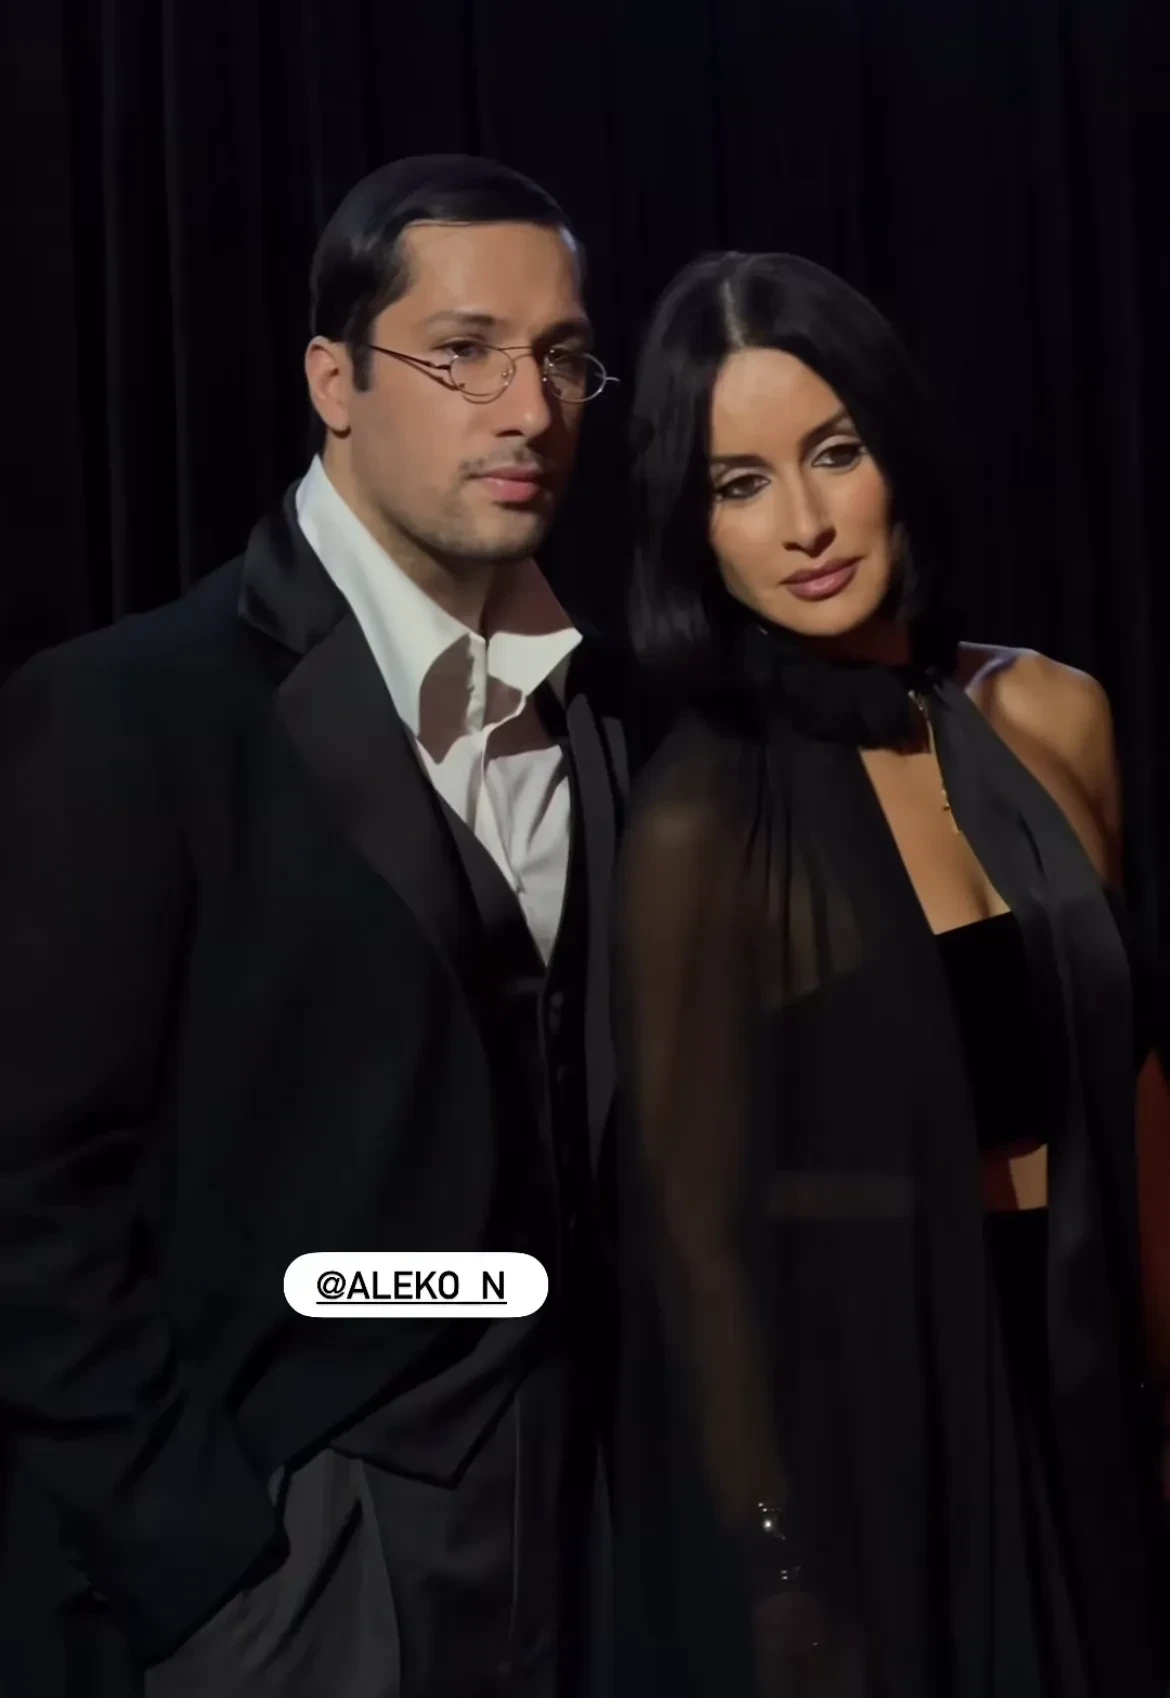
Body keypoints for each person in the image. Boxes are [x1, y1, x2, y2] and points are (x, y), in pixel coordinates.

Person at [0, 154, 636, 1698]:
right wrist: (202, 1552)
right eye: (464, 353)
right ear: (332, 380)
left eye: (561, 358)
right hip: (298, 1532)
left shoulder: (612, 710)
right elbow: (27, 1190)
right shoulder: (131, 710)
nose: (528, 408)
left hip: (593, 1516)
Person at [609, 250, 1170, 1697]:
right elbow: (692, 1235)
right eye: (740, 484)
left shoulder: (1049, 711)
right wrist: (778, 1561)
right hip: (871, 1420)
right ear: (692, 525)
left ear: (896, 452)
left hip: (1091, 1368)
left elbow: (1135, 1081)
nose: (802, 523)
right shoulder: (700, 820)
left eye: (834, 452)